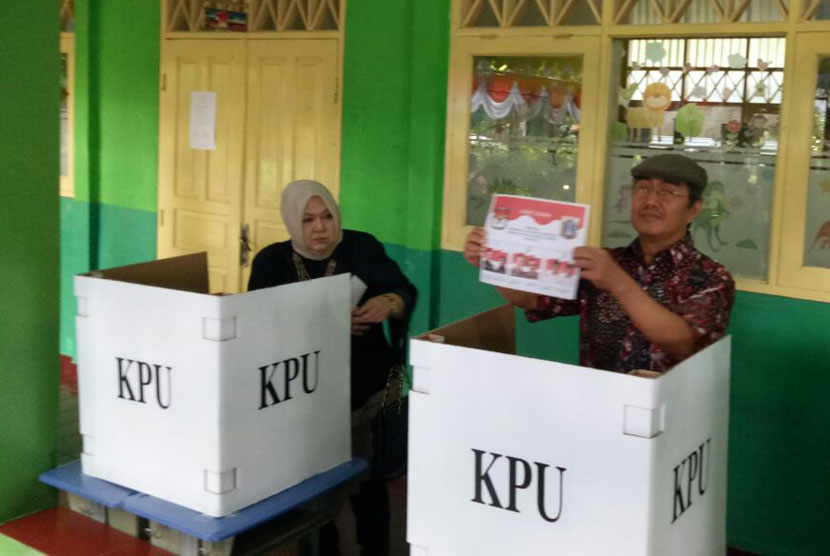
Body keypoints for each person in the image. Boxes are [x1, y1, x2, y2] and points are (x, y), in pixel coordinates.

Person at [248, 179, 417, 556]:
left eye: (327, 216)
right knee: (316, 492)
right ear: (292, 220)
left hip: (366, 386)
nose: (320, 227)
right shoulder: (271, 262)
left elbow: (404, 289)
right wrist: (330, 323)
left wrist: (388, 303)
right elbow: (259, 324)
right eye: (307, 219)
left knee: (370, 485)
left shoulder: (362, 247)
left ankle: (375, 549)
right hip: (307, 396)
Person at [464, 154, 735, 373]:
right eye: (643, 189)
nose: (651, 200)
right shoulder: (607, 261)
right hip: (598, 406)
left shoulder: (711, 278)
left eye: (668, 192)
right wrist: (494, 263)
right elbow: (534, 300)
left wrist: (618, 283)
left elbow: (684, 344)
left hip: (668, 420)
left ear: (694, 209)